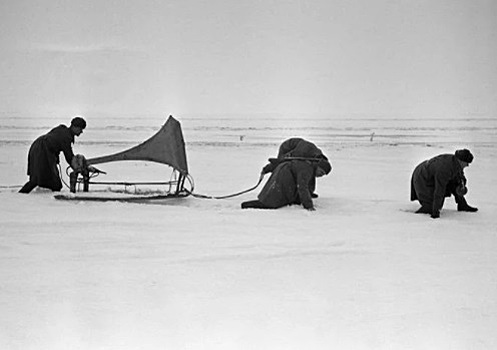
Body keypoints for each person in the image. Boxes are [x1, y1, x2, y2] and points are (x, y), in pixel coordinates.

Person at [241, 138, 332, 210]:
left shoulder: (313, 161)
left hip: (301, 160)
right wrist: (267, 169)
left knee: (304, 174)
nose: (320, 176)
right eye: (321, 172)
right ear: (317, 165)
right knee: (287, 168)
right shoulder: (303, 153)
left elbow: (306, 177)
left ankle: (305, 194)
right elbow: (281, 161)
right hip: (287, 147)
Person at [19, 116, 87, 194]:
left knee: (40, 179)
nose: (81, 132)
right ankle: (24, 195)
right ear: (75, 127)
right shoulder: (66, 136)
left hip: (39, 147)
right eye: (81, 129)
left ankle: (23, 194)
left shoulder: (63, 130)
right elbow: (69, 156)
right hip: (42, 150)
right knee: (49, 182)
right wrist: (78, 168)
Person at [410, 149, 477, 218]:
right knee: (430, 206)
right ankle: (415, 215)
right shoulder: (444, 169)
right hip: (421, 178)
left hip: (430, 174)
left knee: (455, 182)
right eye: (467, 163)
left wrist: (462, 183)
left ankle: (462, 205)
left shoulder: (455, 162)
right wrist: (435, 211)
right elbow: (439, 190)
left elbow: (459, 175)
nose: (467, 165)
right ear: (460, 161)